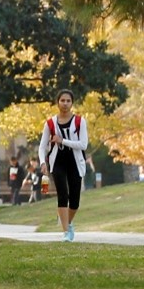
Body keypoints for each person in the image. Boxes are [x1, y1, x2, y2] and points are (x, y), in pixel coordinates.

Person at [38, 90, 90, 242]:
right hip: (58, 162)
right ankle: (66, 231)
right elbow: (42, 147)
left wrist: (63, 141)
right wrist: (42, 162)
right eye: (62, 100)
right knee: (63, 195)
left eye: (68, 101)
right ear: (57, 102)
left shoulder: (80, 122)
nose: (65, 103)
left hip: (75, 162)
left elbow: (83, 144)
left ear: (72, 103)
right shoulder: (50, 123)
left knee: (75, 200)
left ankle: (68, 222)